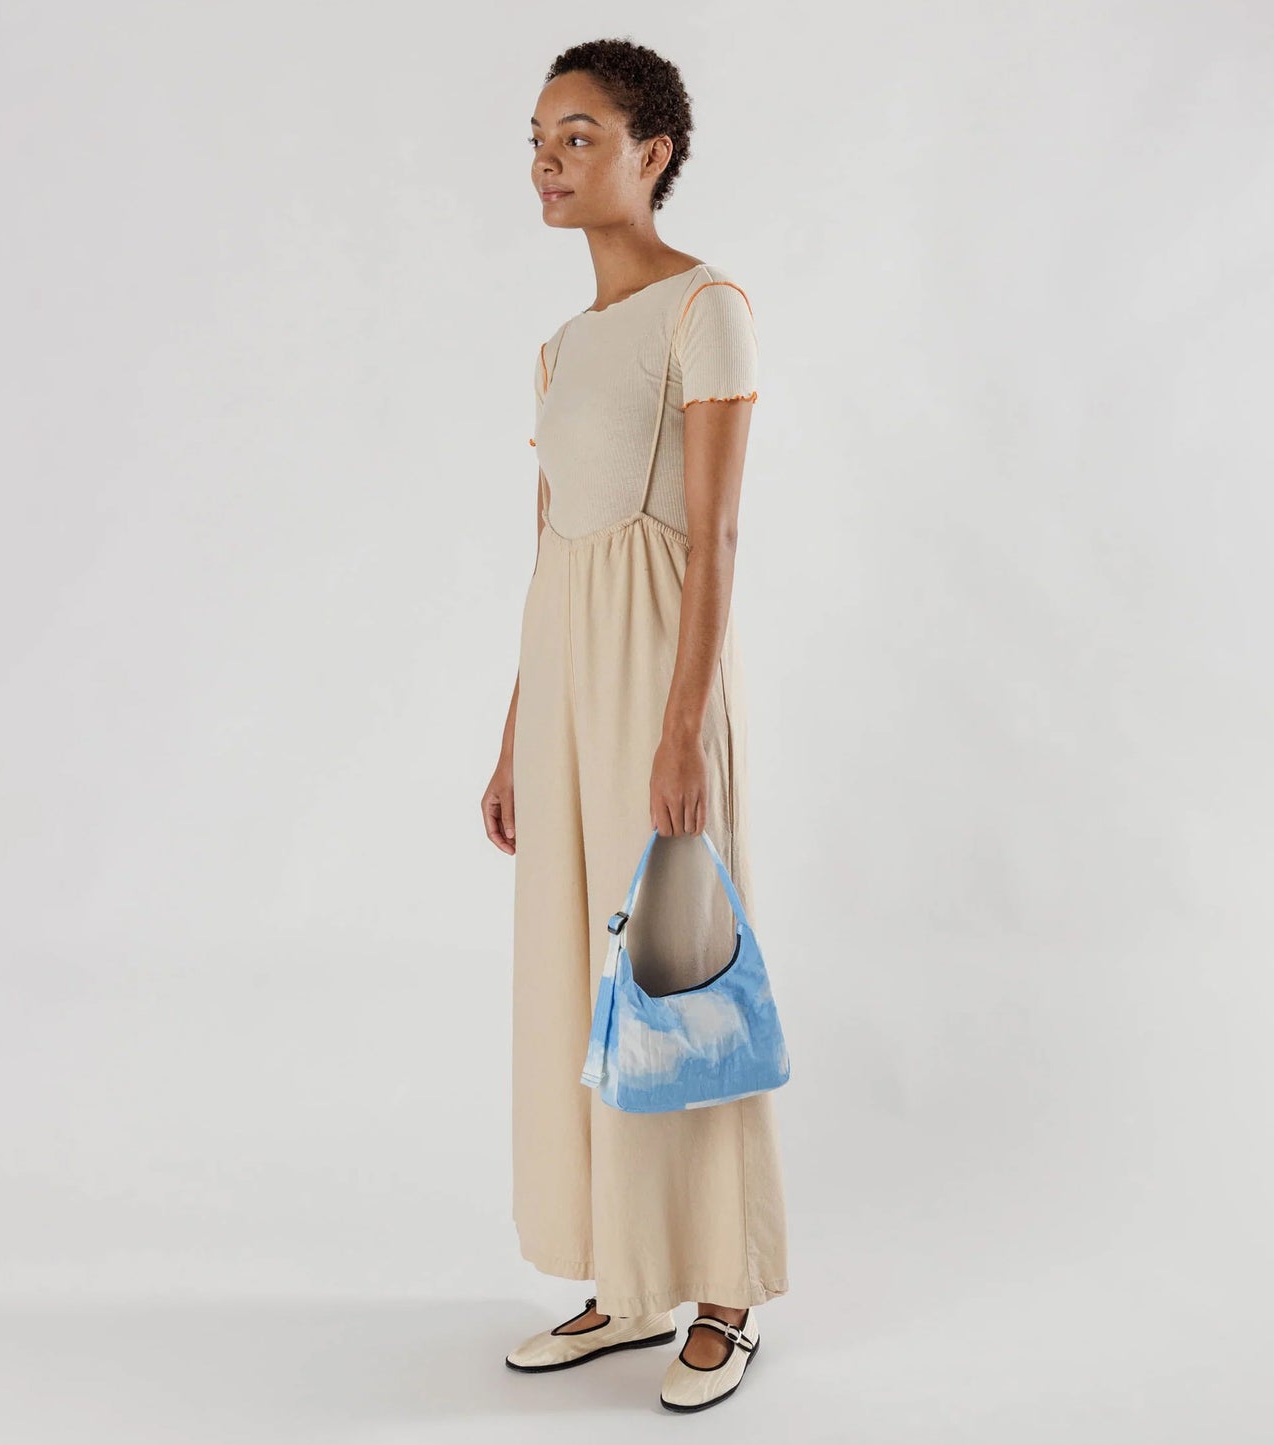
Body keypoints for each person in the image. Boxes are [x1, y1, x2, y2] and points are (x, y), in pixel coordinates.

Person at [480, 38, 789, 1414]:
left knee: (680, 977)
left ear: (651, 152)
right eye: (539, 140)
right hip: (564, 687)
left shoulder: (702, 309)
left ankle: (723, 1291)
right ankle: (627, 1272)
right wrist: (512, 739)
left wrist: (683, 734)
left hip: (661, 681)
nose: (548, 163)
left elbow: (714, 539)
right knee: (579, 974)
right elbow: (551, 547)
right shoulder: (560, 348)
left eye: (580, 137)